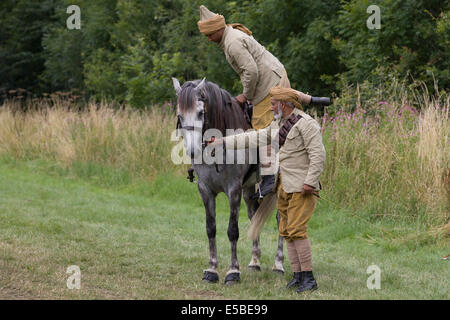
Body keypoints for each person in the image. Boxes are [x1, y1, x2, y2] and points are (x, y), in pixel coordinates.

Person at [197, 5, 330, 198]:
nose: (208, 39)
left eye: (209, 35)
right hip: (275, 74)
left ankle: (269, 176)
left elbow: (251, 71)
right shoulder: (232, 34)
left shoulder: (232, 43)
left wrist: (245, 95)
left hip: (266, 84)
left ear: (218, 29)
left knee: (264, 127)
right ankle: (309, 99)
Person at [208, 87, 326, 292]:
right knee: (287, 232)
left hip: (301, 187)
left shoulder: (307, 124)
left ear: (284, 104)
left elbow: (318, 155)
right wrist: (222, 141)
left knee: (297, 231)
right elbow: (253, 138)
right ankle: (298, 276)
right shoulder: (277, 124)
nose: (270, 107)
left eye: (273, 103)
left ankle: (308, 278)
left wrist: (310, 181)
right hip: (283, 185)